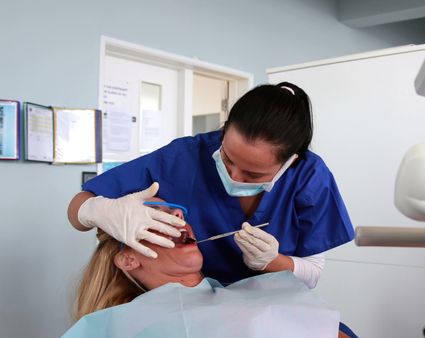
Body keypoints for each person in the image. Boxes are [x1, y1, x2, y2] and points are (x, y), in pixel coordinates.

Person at [67, 82, 354, 288]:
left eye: (253, 175)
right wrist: (98, 210)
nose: (234, 177)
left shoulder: (309, 177)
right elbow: (77, 210)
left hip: (273, 309)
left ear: (290, 162)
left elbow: (313, 273)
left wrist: (271, 261)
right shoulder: (181, 159)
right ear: (225, 128)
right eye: (228, 160)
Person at [66, 199, 353, 338]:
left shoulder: (246, 296)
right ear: (129, 259)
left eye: (174, 211)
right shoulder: (113, 327)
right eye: (156, 217)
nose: (178, 215)